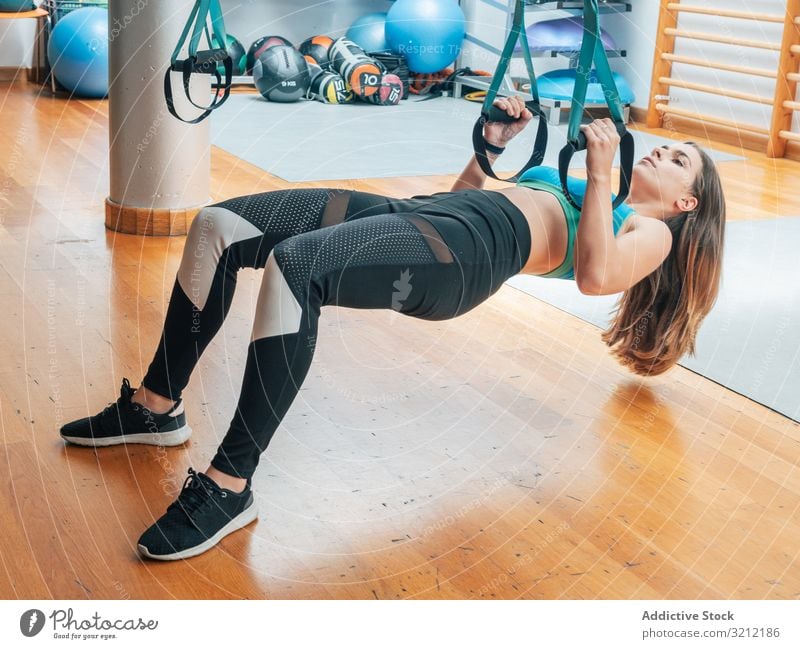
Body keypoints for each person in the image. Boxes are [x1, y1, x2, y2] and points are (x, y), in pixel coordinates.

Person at [59, 96, 726, 560]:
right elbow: (470, 195)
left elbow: (595, 273)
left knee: (297, 268)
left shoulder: (650, 231)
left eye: (678, 162)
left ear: (685, 201)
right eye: (668, 146)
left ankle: (229, 486)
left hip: (466, 256)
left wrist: (605, 171)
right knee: (218, 226)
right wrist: (490, 148)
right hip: (436, 214)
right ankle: (155, 406)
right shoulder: (593, 195)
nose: (665, 152)